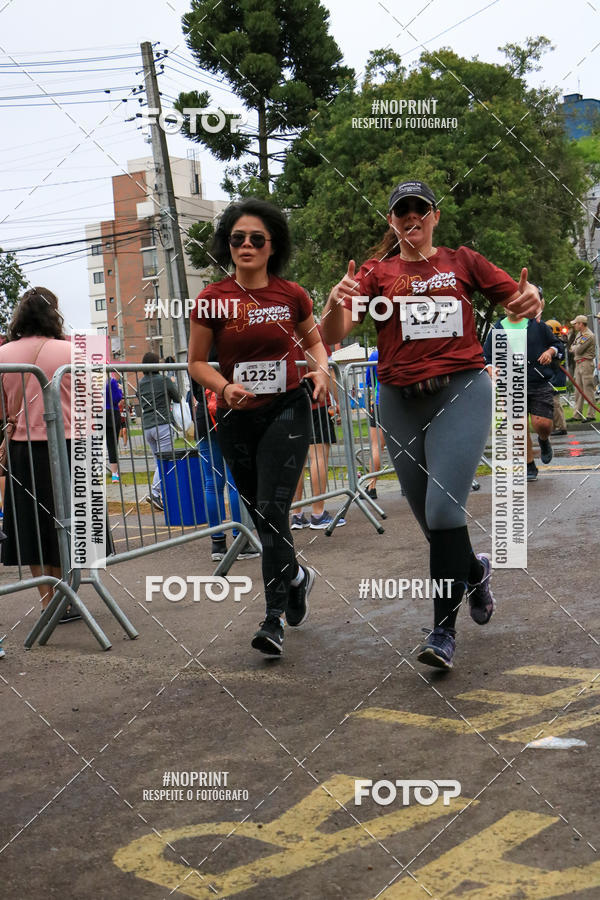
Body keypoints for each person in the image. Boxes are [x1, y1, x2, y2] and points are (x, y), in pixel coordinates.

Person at [322, 179, 542, 670]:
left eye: (420, 209)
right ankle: (474, 571)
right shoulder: (376, 273)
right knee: (432, 521)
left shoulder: (462, 261)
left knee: (444, 511)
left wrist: (532, 300)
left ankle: (442, 632)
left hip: (460, 391)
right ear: (392, 221)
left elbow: (520, 300)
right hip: (399, 401)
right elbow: (332, 334)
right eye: (402, 210)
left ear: (435, 216)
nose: (412, 217)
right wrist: (335, 302)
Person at [188, 197, 329, 657]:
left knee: (271, 509)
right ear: (227, 245)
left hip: (287, 408)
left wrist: (321, 372)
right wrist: (223, 387)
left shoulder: (292, 294)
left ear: (272, 246)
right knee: (263, 515)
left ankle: (272, 620)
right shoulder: (212, 299)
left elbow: (316, 344)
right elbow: (195, 363)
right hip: (235, 417)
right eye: (237, 239)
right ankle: (296, 577)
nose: (245, 245)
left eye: (256, 239)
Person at [0, 287, 78, 647]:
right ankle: (67, 597)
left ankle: (46, 601)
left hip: (21, 448)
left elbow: (3, 412)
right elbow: (91, 401)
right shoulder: (74, 350)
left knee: (31, 525)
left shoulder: (4, 355)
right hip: (68, 444)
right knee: (66, 522)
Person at [483, 294, 563, 483]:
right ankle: (529, 464)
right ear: (504, 308)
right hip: (511, 385)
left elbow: (557, 345)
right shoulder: (497, 329)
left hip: (538, 381)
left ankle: (544, 440)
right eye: (508, 304)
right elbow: (486, 356)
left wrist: (550, 352)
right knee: (519, 425)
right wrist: (491, 368)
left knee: (542, 424)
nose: (511, 307)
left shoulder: (537, 326)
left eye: (515, 304)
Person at [190, 373, 260, 561]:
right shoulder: (229, 346)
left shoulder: (197, 352)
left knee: (212, 483)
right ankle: (241, 540)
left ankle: (218, 544)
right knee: (236, 482)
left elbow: (196, 390)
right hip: (230, 414)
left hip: (205, 418)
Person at [291, 324, 346, 530]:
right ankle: (318, 512)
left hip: (288, 400)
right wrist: (339, 399)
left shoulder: (280, 328)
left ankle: (296, 513)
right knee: (319, 455)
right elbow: (323, 367)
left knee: (296, 459)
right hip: (314, 397)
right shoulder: (311, 328)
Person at [138, 351, 180, 511]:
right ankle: (155, 493)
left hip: (148, 427)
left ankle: (163, 495)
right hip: (162, 424)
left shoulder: (141, 382)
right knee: (166, 462)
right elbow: (177, 397)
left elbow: (138, 396)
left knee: (159, 461)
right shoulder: (164, 380)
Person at [364, 348, 386, 499]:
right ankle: (407, 486)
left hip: (380, 401)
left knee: (376, 446)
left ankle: (372, 486)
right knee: (404, 445)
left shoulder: (376, 354)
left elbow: (369, 381)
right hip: (402, 400)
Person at [570, 314, 596, 421]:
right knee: (578, 390)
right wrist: (574, 348)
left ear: (581, 324)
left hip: (586, 364)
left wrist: (574, 348)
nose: (574, 325)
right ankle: (577, 414)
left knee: (588, 389)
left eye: (576, 323)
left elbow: (578, 349)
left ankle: (591, 414)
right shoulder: (580, 334)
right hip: (579, 363)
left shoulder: (588, 335)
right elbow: (572, 346)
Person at [545, 319, 568, 436]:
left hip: (556, 377)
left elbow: (555, 359)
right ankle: (555, 427)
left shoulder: (557, 344)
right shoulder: (552, 343)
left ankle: (561, 427)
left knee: (555, 403)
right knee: (551, 403)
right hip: (553, 377)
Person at [105, 372, 122, 482]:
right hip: (112, 413)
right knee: (112, 444)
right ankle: (114, 474)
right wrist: (120, 389)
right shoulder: (111, 381)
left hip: (97, 413)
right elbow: (117, 398)